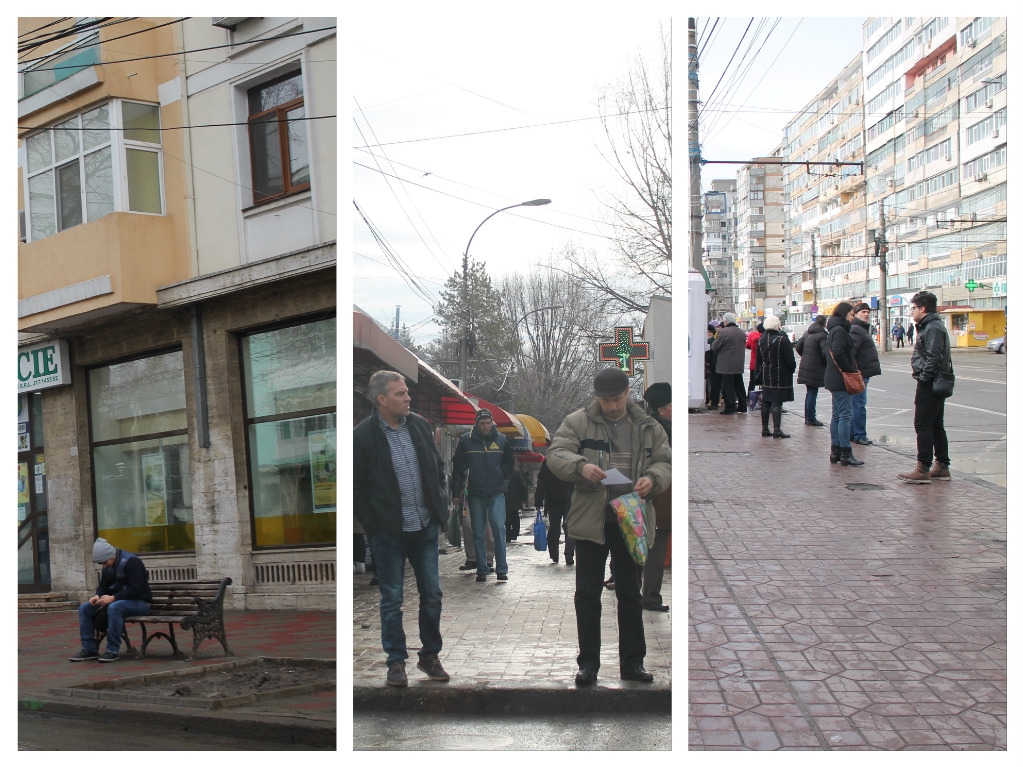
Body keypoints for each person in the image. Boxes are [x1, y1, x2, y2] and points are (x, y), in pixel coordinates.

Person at [547, 367, 671, 685]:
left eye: (616, 399)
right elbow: (556, 454)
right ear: (597, 397)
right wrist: (581, 466)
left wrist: (653, 479)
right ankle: (588, 664)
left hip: (631, 519)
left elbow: (665, 461)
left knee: (630, 594)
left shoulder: (647, 425)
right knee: (587, 594)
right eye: (605, 400)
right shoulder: (578, 421)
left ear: (627, 393)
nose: (612, 406)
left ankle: (633, 663)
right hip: (592, 520)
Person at [353, 370, 450, 687]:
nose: (407, 398)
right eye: (400, 394)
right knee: (391, 599)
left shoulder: (420, 427)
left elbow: (438, 468)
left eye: (407, 392)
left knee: (432, 594)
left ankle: (429, 656)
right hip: (389, 532)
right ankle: (396, 663)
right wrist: (374, 525)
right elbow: (356, 488)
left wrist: (440, 502)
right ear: (382, 400)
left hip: (424, 525)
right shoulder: (363, 436)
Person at [452, 409, 514, 583]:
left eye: (488, 423)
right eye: (482, 423)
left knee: (499, 528)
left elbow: (509, 462)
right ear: (476, 424)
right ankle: (482, 568)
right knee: (477, 531)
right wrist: (456, 492)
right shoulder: (466, 441)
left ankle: (502, 568)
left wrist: (504, 477)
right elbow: (458, 467)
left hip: (496, 491)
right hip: (475, 492)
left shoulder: (501, 440)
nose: (485, 426)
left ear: (492, 423)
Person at [898, 291, 953, 484]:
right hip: (934, 382)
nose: (911, 312)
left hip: (930, 383)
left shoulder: (932, 328)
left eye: (913, 308)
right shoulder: (931, 326)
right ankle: (942, 466)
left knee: (922, 425)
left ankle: (923, 468)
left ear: (922, 308)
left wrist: (924, 378)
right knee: (936, 425)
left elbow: (934, 357)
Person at [70, 538, 152, 663]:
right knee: (84, 609)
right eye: (101, 564)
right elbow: (103, 587)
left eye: (104, 562)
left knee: (115, 607)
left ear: (111, 556)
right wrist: (97, 596)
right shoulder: (108, 566)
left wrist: (113, 598)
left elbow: (137, 589)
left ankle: (112, 650)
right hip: (118, 601)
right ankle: (89, 649)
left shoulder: (131, 562)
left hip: (139, 602)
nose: (103, 566)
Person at [640, 382, 672, 612]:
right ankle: (650, 597)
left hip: (659, 498)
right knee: (656, 549)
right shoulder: (662, 431)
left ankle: (649, 595)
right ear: (662, 409)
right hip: (660, 499)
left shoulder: (650, 427)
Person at [824, 302, 864, 467]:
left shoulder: (833, 329)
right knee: (845, 415)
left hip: (834, 377)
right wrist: (849, 370)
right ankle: (845, 452)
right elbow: (839, 353)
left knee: (837, 415)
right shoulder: (840, 331)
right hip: (841, 378)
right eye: (851, 314)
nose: (852, 317)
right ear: (844, 314)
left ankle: (836, 452)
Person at [756, 316, 797, 438]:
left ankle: (765, 428)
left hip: (766, 374)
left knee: (766, 401)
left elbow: (758, 361)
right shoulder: (782, 340)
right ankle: (777, 429)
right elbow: (790, 359)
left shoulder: (761, 339)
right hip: (780, 374)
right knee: (777, 402)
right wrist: (791, 369)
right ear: (777, 326)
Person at [849, 303, 882, 447]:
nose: (866, 314)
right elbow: (852, 353)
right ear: (855, 314)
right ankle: (859, 435)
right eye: (863, 312)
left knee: (855, 404)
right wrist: (857, 371)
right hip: (859, 374)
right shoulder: (856, 329)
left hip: (860, 372)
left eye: (868, 312)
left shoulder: (860, 328)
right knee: (859, 405)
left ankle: (853, 433)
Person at [534, 457, 575, 565]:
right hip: (568, 498)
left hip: (553, 499)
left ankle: (554, 553)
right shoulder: (571, 458)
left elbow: (541, 481)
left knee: (554, 526)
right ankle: (569, 554)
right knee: (569, 526)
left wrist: (538, 500)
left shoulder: (549, 461)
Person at [795, 315, 828, 426]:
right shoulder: (822, 335)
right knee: (813, 393)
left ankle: (809, 417)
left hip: (806, 366)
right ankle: (810, 418)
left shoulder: (807, 334)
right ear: (824, 324)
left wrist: (806, 357)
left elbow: (798, 347)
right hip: (816, 368)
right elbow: (825, 353)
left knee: (810, 392)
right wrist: (825, 363)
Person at [712, 313, 747, 415]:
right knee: (739, 385)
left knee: (728, 386)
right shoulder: (741, 332)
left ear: (726, 321)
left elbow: (715, 347)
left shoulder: (723, 332)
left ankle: (730, 407)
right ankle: (742, 405)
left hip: (726, 364)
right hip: (739, 363)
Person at [504, 468, 528, 541]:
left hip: (504, 498)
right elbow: (522, 486)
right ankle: (514, 533)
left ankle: (508, 535)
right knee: (515, 516)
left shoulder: (500, 471)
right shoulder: (515, 473)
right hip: (515, 499)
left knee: (507, 518)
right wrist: (524, 498)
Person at [745, 322, 763, 405]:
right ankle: (762, 399)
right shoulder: (765, 338)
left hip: (753, 362)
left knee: (752, 382)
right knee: (764, 382)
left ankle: (749, 398)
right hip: (762, 363)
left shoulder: (752, 336)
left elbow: (747, 346)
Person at [705, 323, 721, 409]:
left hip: (713, 364)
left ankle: (713, 400)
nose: (708, 333)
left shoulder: (713, 340)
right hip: (708, 364)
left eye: (710, 332)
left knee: (712, 383)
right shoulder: (705, 340)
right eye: (707, 332)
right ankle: (709, 399)